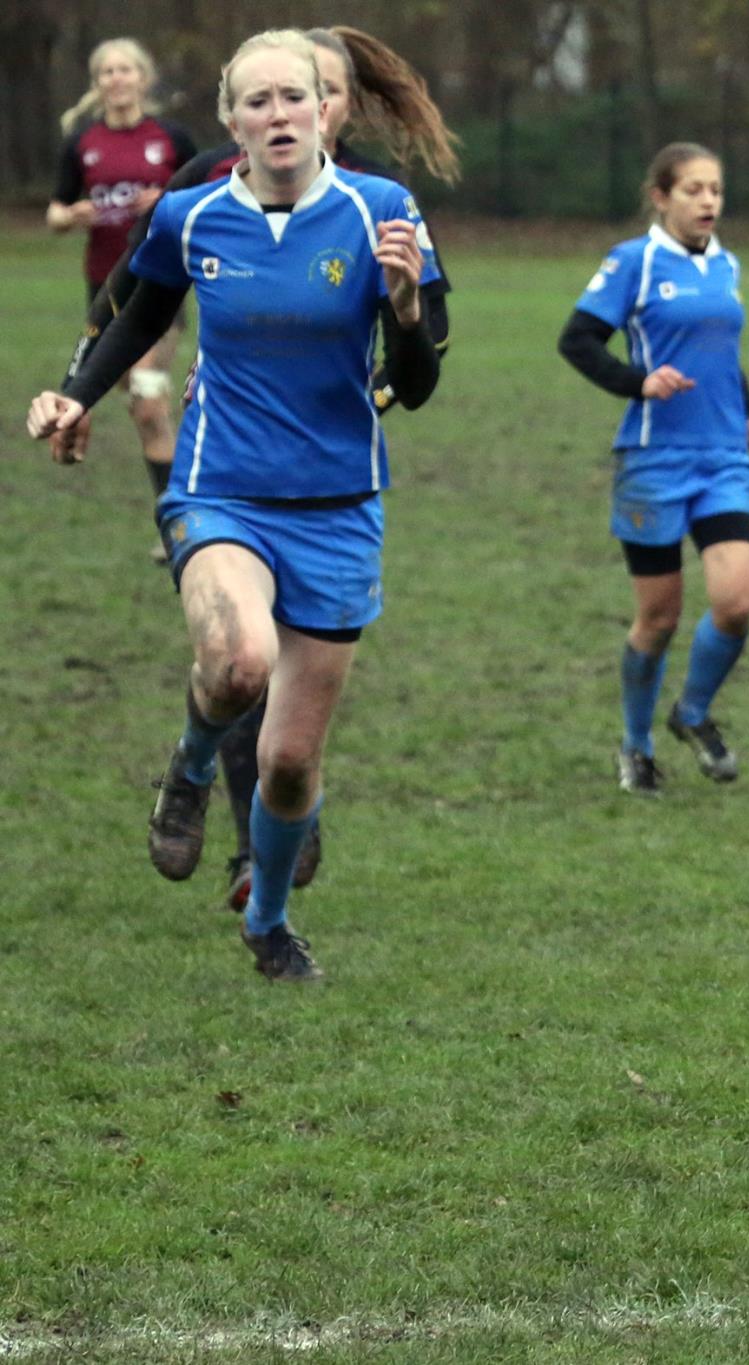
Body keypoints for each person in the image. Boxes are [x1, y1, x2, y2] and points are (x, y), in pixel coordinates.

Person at [26, 28, 446, 982]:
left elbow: (415, 386)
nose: (277, 115)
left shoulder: (383, 211)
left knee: (294, 763)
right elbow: (136, 312)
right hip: (221, 490)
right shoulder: (190, 215)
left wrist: (407, 310)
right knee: (237, 659)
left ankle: (268, 917)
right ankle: (189, 763)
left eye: (293, 98)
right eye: (255, 102)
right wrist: (72, 394)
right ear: (230, 122)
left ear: (324, 108)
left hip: (340, 505)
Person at [558, 142, 749, 794]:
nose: (709, 200)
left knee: (736, 602)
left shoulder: (727, 264)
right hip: (653, 459)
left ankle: (693, 711)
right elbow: (576, 340)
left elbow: (716, 354)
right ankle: (636, 743)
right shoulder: (634, 260)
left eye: (715, 188)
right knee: (658, 617)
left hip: (723, 458)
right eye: (694, 189)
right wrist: (639, 381)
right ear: (661, 196)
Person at [48, 37, 197, 544]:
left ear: (143, 78)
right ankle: (181, 501)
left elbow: (211, 193)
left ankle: (179, 525)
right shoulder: (82, 143)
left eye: (125, 69)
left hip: (161, 287)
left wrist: (170, 200)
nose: (116, 79)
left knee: (149, 396)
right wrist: (70, 215)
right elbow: (54, 211)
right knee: (139, 402)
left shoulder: (171, 138)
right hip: (104, 292)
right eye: (107, 71)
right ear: (98, 82)